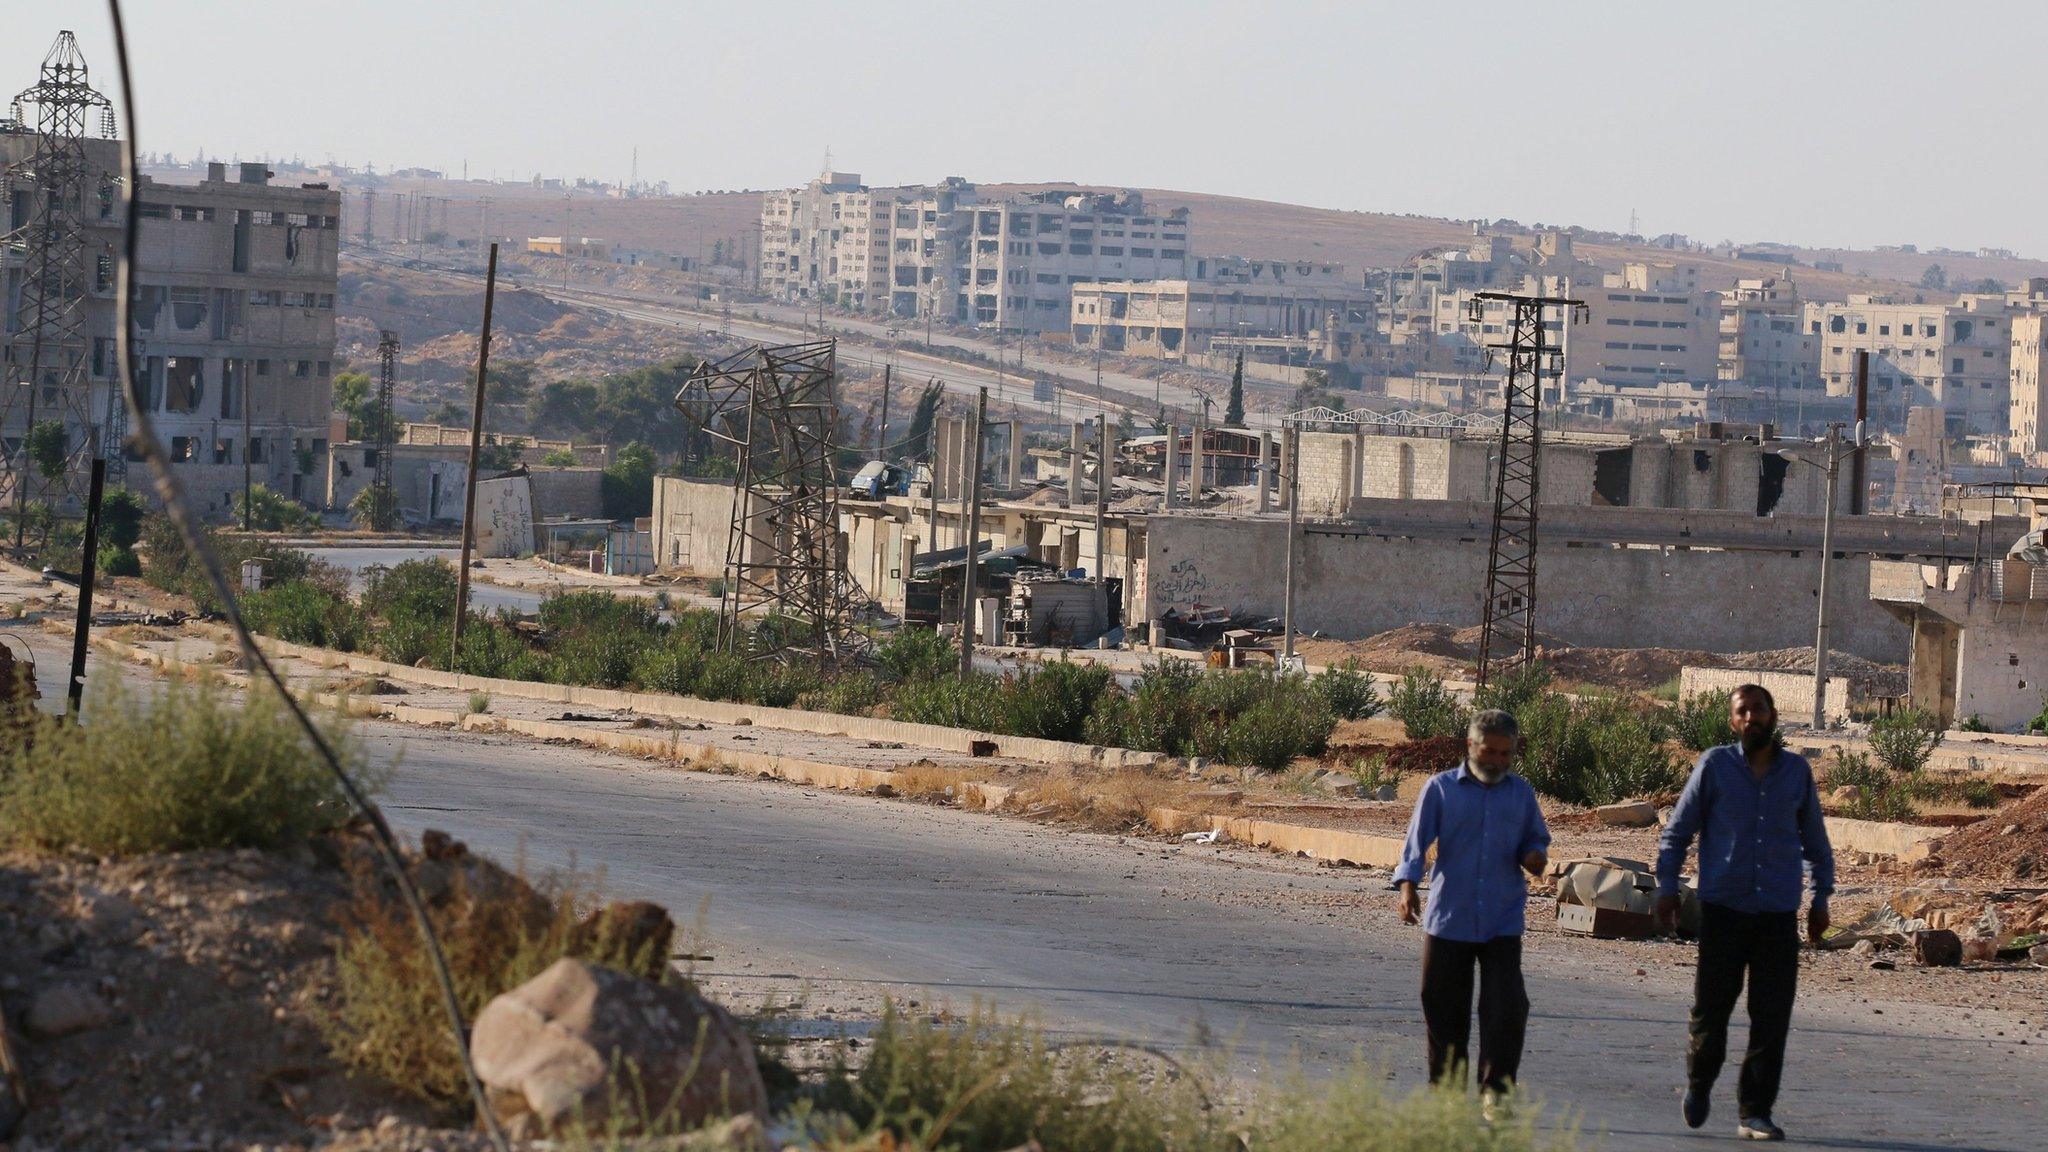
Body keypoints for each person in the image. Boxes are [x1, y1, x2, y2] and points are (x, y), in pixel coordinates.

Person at [1656, 683, 1834, 1142]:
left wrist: (1821, 898)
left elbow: (1815, 841)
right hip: (1723, 911)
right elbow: (1677, 833)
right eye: (1743, 711)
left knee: (1771, 1016)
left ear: (1774, 715)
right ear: (1733, 721)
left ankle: (1755, 1111)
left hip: (1777, 914)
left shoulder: (1796, 773)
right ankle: (1699, 1081)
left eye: (1759, 709)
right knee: (1711, 1011)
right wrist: (1666, 889)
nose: (1752, 717)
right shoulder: (1715, 766)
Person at [1394, 708, 1550, 1107]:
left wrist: (1534, 859)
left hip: (1502, 918)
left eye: (1505, 754)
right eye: (1489, 752)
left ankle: (1495, 1094)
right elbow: (1416, 844)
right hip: (1450, 916)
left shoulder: (1521, 793)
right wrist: (1408, 887)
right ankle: (1447, 1098)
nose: (1497, 761)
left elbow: (1536, 841)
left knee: (1506, 1008)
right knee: (1443, 1010)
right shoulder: (1440, 789)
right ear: (1471, 746)